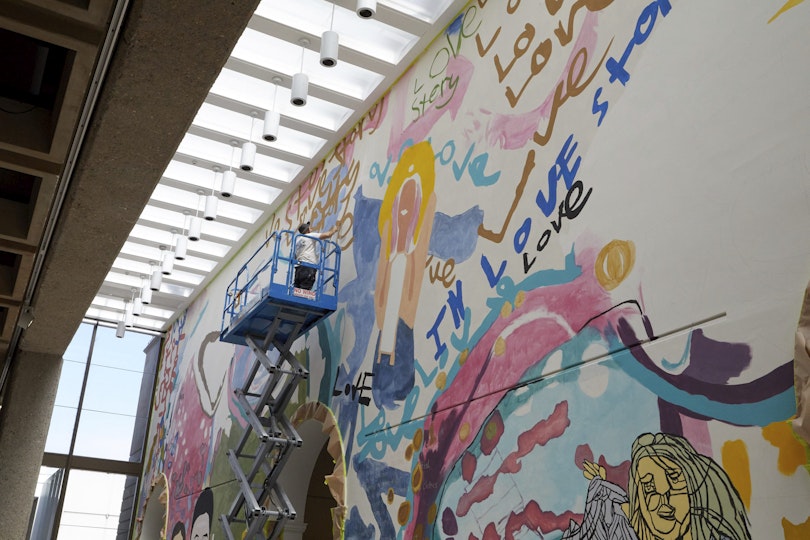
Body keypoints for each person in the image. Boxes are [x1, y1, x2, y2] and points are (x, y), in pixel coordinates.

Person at [294, 221, 337, 290]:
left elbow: (294, 256)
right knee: (305, 292)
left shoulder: (297, 240)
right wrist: (334, 229)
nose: (311, 228)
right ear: (307, 230)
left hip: (299, 269)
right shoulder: (310, 235)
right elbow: (327, 235)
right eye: (309, 228)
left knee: (297, 291)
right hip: (308, 267)